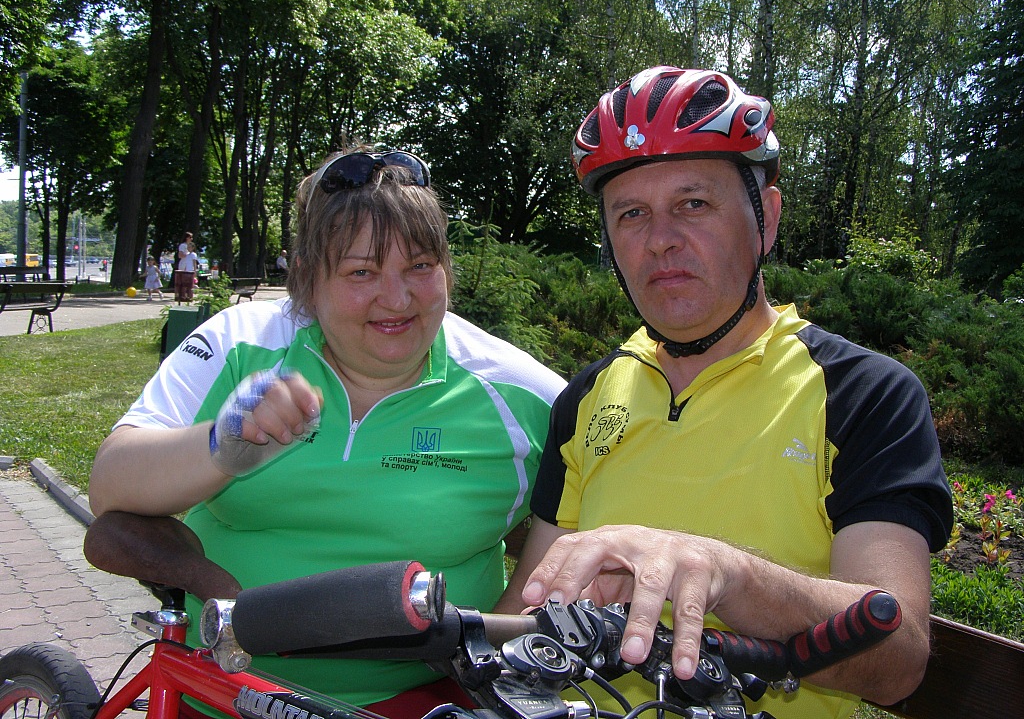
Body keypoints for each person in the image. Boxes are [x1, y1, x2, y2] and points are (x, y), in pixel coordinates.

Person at [496, 67, 953, 719]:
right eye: (631, 214)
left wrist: (727, 575)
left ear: (766, 218)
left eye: (693, 204)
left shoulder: (862, 394)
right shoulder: (588, 396)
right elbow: (526, 610)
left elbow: (898, 658)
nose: (661, 240)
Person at [89, 147, 566, 718]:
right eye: (361, 272)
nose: (397, 299)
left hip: (421, 700)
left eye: (420, 266)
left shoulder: (522, 393)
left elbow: (567, 540)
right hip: (220, 688)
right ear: (308, 279)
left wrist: (491, 665)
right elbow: (109, 484)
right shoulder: (239, 344)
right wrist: (223, 445)